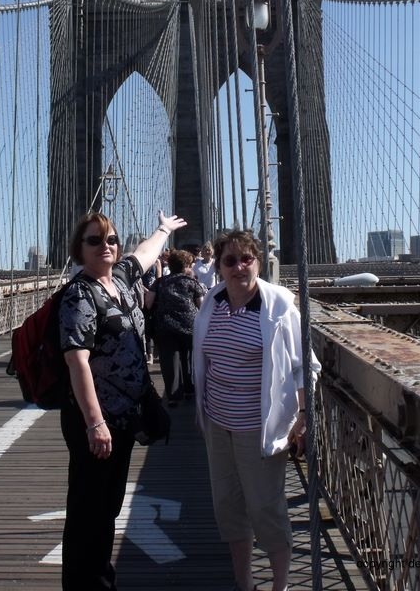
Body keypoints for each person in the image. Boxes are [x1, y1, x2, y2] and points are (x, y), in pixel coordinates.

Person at [58, 209, 186, 591]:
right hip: (96, 422)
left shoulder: (122, 279)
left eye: (111, 239)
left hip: (124, 419)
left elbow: (144, 254)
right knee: (89, 511)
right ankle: (87, 584)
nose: (106, 246)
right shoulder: (80, 294)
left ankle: (99, 579)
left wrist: (163, 229)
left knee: (108, 505)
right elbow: (77, 361)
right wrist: (94, 423)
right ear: (79, 249)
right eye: (95, 240)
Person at [192, 229, 320, 591]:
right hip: (218, 425)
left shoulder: (278, 308)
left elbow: (304, 366)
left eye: (246, 258)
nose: (239, 267)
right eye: (230, 260)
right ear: (218, 267)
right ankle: (244, 582)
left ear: (258, 263)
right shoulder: (211, 303)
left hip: (258, 427)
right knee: (228, 506)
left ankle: (280, 586)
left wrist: (303, 415)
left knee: (265, 508)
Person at [144, 249, 206, 406]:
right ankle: (189, 390)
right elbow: (202, 306)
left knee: (169, 359)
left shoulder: (160, 282)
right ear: (185, 266)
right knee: (189, 357)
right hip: (189, 325)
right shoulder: (192, 282)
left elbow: (148, 303)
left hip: (165, 325)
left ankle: (173, 396)